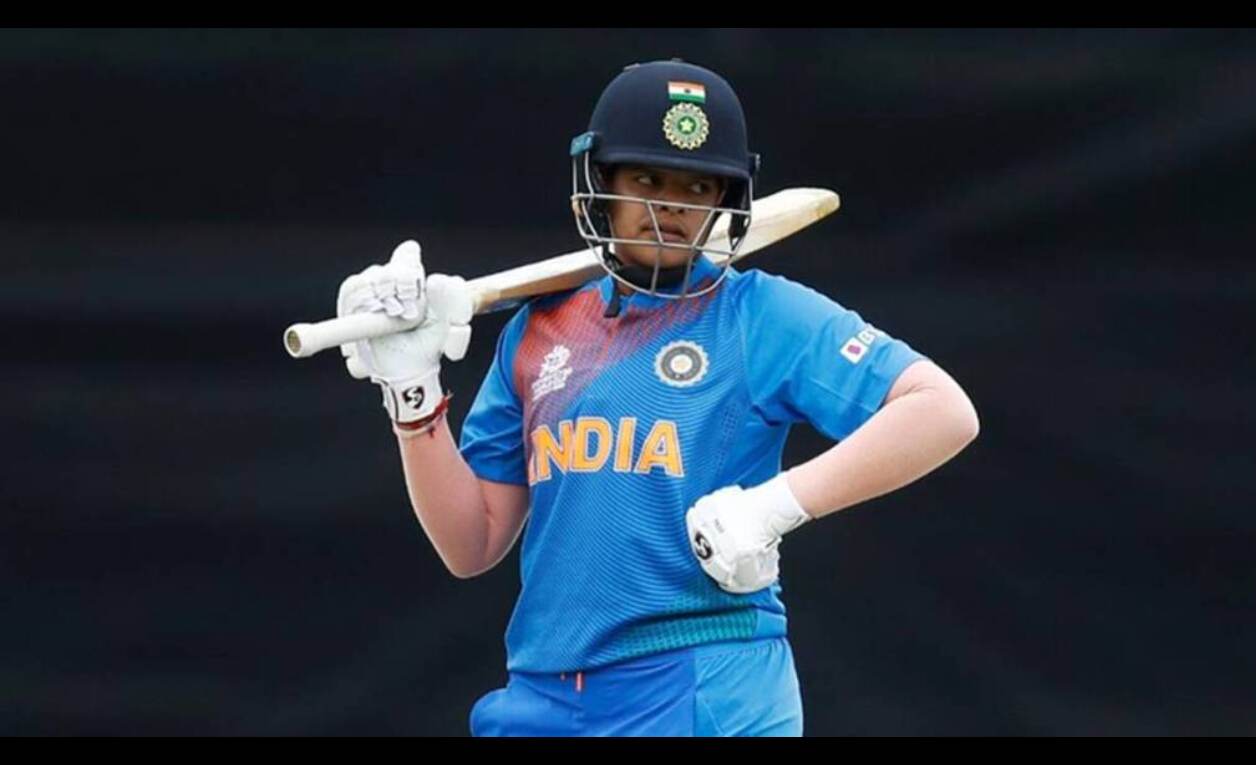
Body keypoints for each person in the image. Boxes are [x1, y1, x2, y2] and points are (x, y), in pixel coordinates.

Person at [334, 59, 979, 736]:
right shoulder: (535, 332)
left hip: (704, 680)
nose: (671, 205)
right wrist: (412, 394)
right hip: (542, 692)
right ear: (601, 184)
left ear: (724, 201)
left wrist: (774, 505)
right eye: (646, 179)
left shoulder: (758, 314)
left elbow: (940, 409)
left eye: (696, 185)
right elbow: (472, 543)